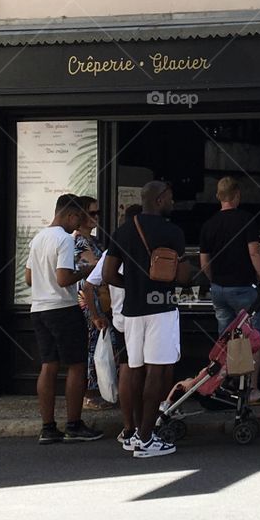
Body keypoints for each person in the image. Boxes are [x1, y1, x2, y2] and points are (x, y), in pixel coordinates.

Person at [104, 180, 184, 458]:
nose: (173, 202)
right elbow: (183, 275)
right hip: (161, 308)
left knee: (135, 370)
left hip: (132, 311)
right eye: (170, 197)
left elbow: (108, 274)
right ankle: (147, 439)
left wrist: (133, 286)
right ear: (159, 199)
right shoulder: (172, 231)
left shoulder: (123, 231)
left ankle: (136, 433)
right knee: (157, 371)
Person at [25, 197, 103, 444]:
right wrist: (87, 271)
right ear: (70, 215)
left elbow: (28, 278)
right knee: (77, 365)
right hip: (63, 308)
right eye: (78, 218)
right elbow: (63, 279)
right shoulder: (64, 239)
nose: (78, 224)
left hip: (39, 308)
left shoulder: (38, 238)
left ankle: (48, 427)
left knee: (48, 365)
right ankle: (74, 424)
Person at [199, 176, 260, 405]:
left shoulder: (208, 224)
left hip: (218, 290)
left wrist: (216, 281)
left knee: (227, 341)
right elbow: (255, 252)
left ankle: (227, 385)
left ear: (218, 196)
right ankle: (251, 389)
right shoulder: (245, 219)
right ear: (237, 195)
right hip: (243, 288)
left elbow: (204, 262)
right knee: (256, 338)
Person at [84, 250, 138, 449]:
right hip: (147, 315)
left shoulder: (112, 252)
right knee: (152, 368)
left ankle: (129, 426)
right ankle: (146, 424)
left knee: (127, 366)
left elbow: (88, 285)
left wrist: (95, 316)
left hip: (121, 318)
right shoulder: (150, 245)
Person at [73, 196, 107, 411]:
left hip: (98, 298)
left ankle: (99, 390)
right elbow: (92, 270)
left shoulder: (94, 240)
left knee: (98, 344)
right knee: (92, 345)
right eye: (92, 213)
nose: (96, 217)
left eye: (97, 213)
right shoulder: (80, 241)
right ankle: (90, 394)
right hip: (88, 299)